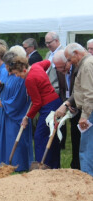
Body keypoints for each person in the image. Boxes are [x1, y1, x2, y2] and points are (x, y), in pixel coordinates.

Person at [8, 57, 62, 169]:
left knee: (40, 136)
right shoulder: (36, 66)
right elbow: (47, 62)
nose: (17, 76)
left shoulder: (29, 80)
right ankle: (54, 166)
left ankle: (42, 166)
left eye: (17, 73)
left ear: (23, 70)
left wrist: (27, 117)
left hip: (48, 107)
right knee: (52, 135)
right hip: (56, 102)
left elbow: (37, 103)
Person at [0, 49, 33, 171]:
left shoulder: (20, 77)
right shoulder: (5, 73)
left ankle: (18, 163)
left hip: (16, 113)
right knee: (3, 137)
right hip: (5, 111)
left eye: (6, 65)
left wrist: (4, 104)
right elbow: (5, 88)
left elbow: (19, 98)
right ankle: (5, 160)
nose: (4, 67)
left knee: (14, 137)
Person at [57, 43, 93, 176]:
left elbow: (90, 94)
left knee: (87, 148)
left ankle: (88, 178)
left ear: (77, 53)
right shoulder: (85, 64)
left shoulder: (88, 65)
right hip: (87, 110)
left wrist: (84, 116)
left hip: (90, 112)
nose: (69, 62)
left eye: (69, 59)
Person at [53, 50, 81, 169]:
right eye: (58, 68)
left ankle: (82, 165)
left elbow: (78, 91)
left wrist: (68, 103)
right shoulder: (60, 70)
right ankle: (75, 164)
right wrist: (67, 102)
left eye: (63, 67)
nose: (61, 71)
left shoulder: (78, 69)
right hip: (70, 105)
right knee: (74, 136)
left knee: (82, 139)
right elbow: (64, 89)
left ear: (69, 62)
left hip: (81, 105)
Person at [45, 31, 66, 149]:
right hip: (50, 89)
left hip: (58, 89)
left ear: (57, 41)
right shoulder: (48, 54)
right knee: (52, 117)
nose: (47, 45)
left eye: (49, 42)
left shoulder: (63, 52)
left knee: (60, 116)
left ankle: (60, 142)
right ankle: (53, 138)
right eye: (46, 43)